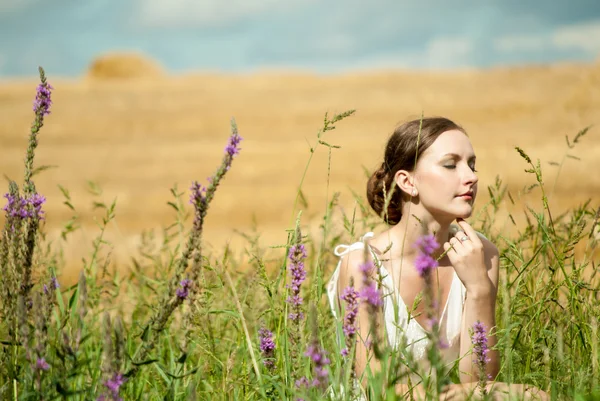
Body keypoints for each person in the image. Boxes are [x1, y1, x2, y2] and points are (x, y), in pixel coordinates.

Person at [326, 117, 549, 400]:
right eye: (450, 164)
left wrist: (479, 288)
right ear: (407, 182)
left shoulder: (482, 253)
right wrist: (451, 396)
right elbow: (376, 385)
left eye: (472, 164)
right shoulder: (363, 264)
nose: (471, 176)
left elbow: (480, 379)